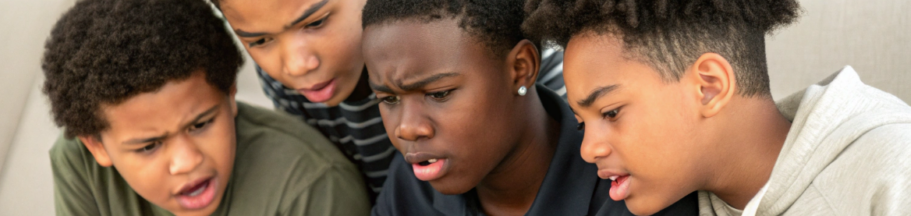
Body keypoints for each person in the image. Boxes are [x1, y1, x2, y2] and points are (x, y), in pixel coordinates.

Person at [523, 0, 911, 215]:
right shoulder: (674, 200)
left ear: (708, 87)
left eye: (610, 113)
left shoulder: (892, 171)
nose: (589, 149)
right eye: (581, 123)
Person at [361, 0, 699, 215]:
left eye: (439, 93)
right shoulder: (413, 183)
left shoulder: (630, 192)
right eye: (388, 99)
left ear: (520, 68)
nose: (407, 128)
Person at [208, 0, 568, 197]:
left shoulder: (488, 45)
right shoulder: (285, 84)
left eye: (315, 23)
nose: (297, 65)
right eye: (260, 41)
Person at [42, 0, 369, 215]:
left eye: (200, 125)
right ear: (96, 145)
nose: (186, 162)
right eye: (149, 146)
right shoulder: (80, 165)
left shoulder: (311, 190)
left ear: (231, 95)